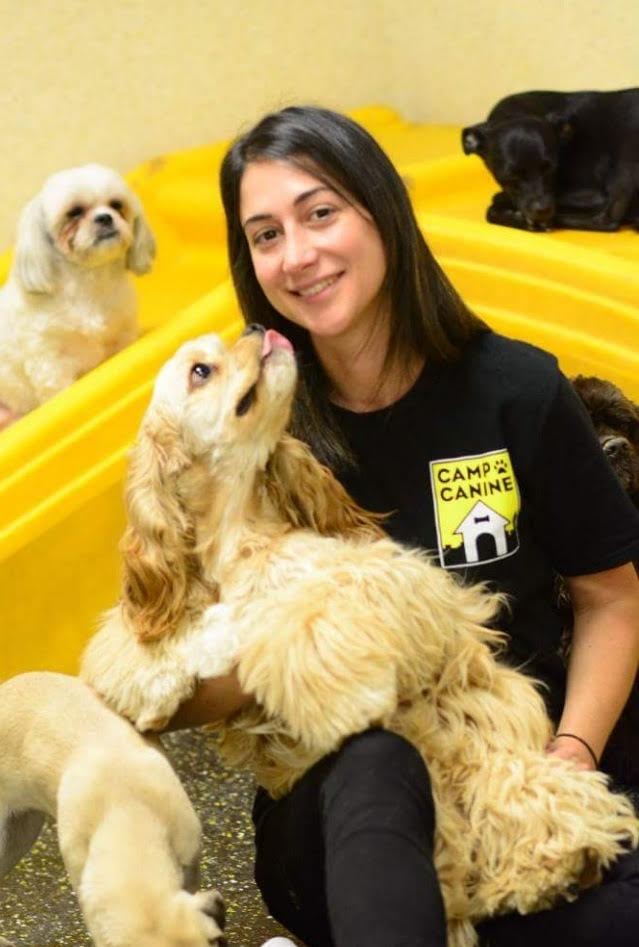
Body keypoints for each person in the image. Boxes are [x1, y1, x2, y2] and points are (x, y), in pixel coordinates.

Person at [172, 106, 639, 947]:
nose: (298, 254)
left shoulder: (519, 390)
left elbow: (610, 598)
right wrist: (311, 649)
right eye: (265, 233)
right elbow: (175, 685)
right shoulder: (247, 429)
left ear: (382, 211)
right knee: (377, 762)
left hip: (513, 763)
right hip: (347, 804)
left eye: (320, 213)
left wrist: (567, 755)